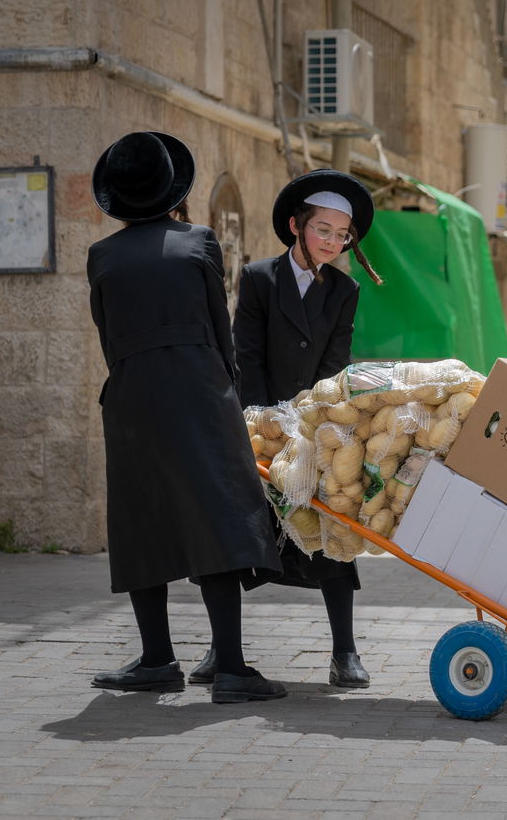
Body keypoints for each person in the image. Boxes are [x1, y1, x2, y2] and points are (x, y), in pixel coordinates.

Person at [86, 131, 286, 705]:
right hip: (199, 392)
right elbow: (220, 333)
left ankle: (156, 659)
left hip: (131, 398)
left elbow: (109, 337)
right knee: (217, 517)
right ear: (172, 188)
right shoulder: (198, 242)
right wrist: (225, 391)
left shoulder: (101, 256)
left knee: (139, 521)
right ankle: (231, 669)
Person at [188, 169, 382, 689]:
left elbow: (336, 364)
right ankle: (219, 650)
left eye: (343, 235)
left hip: (314, 426)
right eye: (323, 229)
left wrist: (314, 420)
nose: (333, 242)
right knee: (231, 534)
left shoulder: (345, 290)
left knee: (331, 532)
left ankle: (345, 651)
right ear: (296, 225)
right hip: (257, 426)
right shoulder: (258, 278)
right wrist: (258, 421)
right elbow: (243, 355)